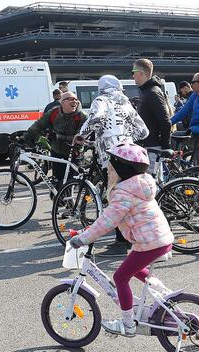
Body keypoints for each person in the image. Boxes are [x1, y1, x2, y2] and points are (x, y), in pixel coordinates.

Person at [69, 144, 174, 336]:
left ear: (120, 171)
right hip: (157, 239)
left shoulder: (124, 192)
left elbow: (108, 221)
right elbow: (108, 218)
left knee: (120, 277)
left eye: (110, 169)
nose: (108, 173)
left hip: (149, 243)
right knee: (134, 269)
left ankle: (128, 325)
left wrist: (84, 239)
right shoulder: (140, 184)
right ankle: (165, 295)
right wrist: (88, 230)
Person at [75, 75, 149, 257]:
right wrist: (124, 135)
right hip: (129, 153)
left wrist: (81, 135)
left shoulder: (101, 100)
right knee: (130, 195)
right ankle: (138, 236)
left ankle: (120, 243)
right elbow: (143, 131)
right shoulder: (125, 102)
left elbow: (95, 118)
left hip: (111, 156)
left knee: (116, 196)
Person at [24, 91, 86, 190]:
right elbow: (39, 125)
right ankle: (59, 200)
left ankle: (71, 202)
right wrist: (26, 137)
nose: (74, 101)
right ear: (62, 102)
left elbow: (80, 137)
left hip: (74, 154)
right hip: (57, 153)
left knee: (69, 184)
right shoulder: (53, 113)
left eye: (76, 99)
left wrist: (58, 136)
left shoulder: (82, 116)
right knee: (57, 184)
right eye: (70, 99)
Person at [133, 58, 172, 151]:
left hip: (153, 146)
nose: (133, 75)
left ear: (141, 73)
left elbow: (165, 122)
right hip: (147, 145)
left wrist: (165, 147)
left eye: (133, 72)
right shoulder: (146, 91)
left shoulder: (152, 92)